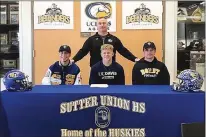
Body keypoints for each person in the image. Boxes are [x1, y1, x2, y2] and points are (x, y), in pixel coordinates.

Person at [72, 17, 139, 67]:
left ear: (107, 25)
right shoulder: (91, 40)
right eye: (100, 23)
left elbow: (123, 51)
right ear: (97, 26)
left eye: (104, 23)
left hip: (111, 69)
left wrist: (134, 59)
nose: (102, 25)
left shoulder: (114, 39)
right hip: (95, 69)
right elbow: (83, 51)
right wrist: (73, 60)